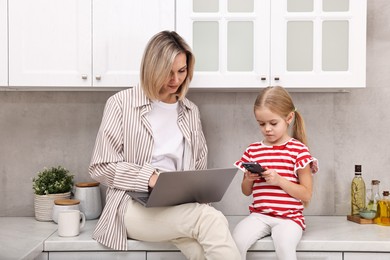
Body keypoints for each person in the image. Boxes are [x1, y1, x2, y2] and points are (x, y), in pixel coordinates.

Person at [88, 30, 240, 260]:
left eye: (181, 71)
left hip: (178, 208)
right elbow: (100, 166)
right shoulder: (120, 104)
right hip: (130, 206)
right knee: (211, 218)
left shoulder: (190, 112)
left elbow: (198, 166)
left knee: (201, 251)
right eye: (168, 72)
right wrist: (150, 177)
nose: (176, 80)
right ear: (152, 68)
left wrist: (198, 190)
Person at [232, 86, 319, 260]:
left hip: (289, 219)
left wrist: (280, 180)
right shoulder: (253, 150)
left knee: (285, 247)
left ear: (289, 118)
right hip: (259, 215)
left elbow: (306, 194)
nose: (267, 129)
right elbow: (246, 191)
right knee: (236, 242)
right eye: (261, 124)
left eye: (273, 123)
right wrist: (248, 179)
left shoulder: (298, 151)